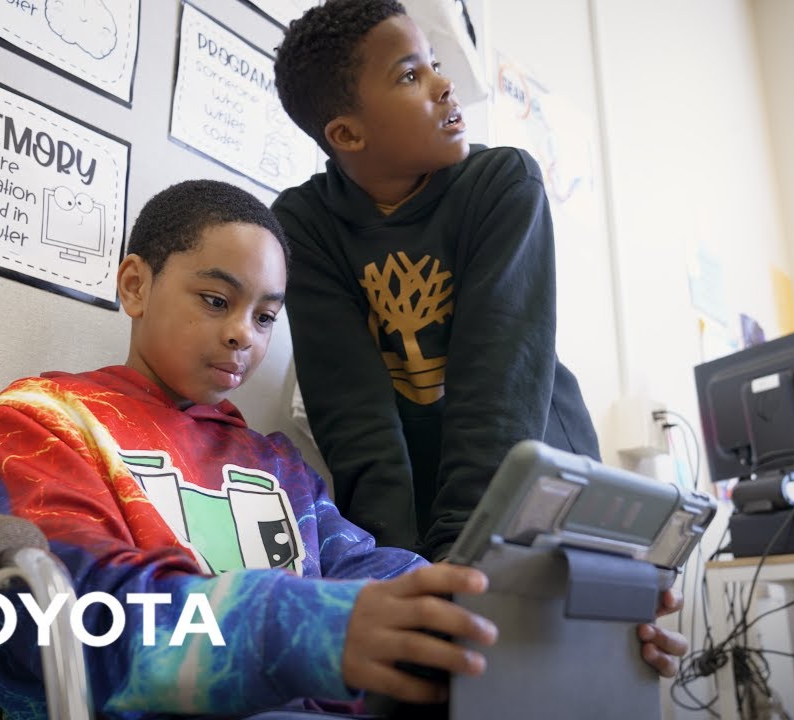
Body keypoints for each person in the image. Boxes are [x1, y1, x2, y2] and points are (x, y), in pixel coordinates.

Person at [0, 179, 498, 719]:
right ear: (135, 286)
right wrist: (302, 627)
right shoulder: (42, 418)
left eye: (265, 317)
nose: (244, 334)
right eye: (216, 301)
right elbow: (71, 614)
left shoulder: (276, 462)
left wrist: (458, 598)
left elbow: (355, 564)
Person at [271, 0, 686, 678]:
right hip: (424, 520)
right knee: (446, 680)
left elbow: (498, 395)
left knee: (583, 674)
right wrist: (399, 572)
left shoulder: (502, 183)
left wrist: (460, 561)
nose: (445, 85)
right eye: (411, 75)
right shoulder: (304, 225)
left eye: (436, 64)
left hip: (543, 486)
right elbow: (355, 423)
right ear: (347, 133)